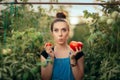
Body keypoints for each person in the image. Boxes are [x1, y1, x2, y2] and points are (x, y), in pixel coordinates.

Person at [41, 12, 84, 80]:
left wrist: (72, 60)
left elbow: (79, 78)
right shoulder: (46, 53)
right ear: (52, 33)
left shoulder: (77, 52)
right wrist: (51, 58)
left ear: (68, 32)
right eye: (56, 30)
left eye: (63, 30)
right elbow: (45, 78)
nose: (60, 34)